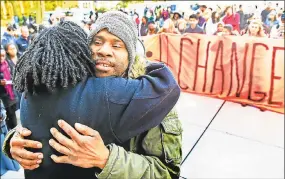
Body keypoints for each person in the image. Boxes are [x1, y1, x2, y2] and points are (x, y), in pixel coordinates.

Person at [2, 15, 181, 179]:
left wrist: (107, 160)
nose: (104, 50)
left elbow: (167, 172)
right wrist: (15, 140)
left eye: (117, 45)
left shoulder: (156, 101)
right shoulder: (65, 83)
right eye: (97, 42)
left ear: (131, 55)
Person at [0, 47, 18, 130]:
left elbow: (14, 74)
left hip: (11, 93)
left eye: (3, 56)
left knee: (13, 114)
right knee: (8, 116)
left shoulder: (8, 63)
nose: (2, 58)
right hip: (3, 95)